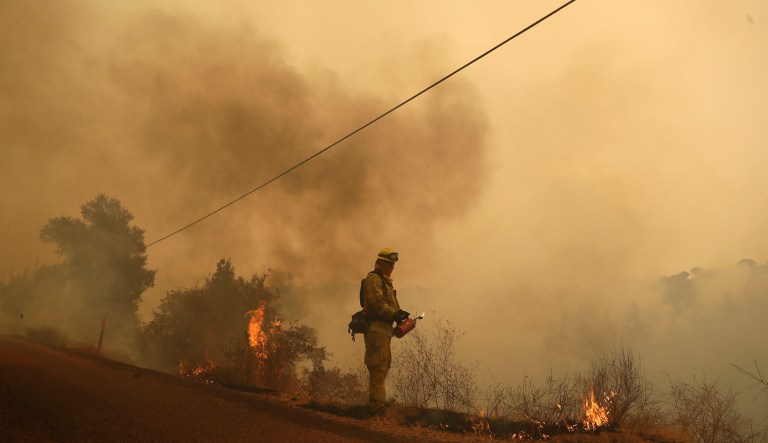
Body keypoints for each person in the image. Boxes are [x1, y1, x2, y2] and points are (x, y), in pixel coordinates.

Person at [362, 247, 409, 415]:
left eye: (393, 264)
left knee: (384, 366)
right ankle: (377, 407)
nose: (392, 267)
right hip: (376, 330)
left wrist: (400, 314)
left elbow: (390, 305)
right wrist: (394, 314)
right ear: (380, 263)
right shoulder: (374, 279)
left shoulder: (386, 282)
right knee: (378, 366)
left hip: (384, 331)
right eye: (389, 263)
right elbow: (375, 301)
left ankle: (378, 404)